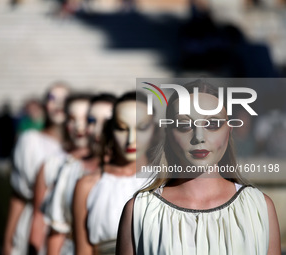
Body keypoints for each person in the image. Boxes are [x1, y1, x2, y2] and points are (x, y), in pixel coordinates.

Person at [116, 80, 281, 255]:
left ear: (229, 130)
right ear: (168, 133)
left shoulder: (259, 207)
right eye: (185, 125)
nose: (199, 137)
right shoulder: (140, 210)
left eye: (212, 124)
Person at [29, 93, 115, 255]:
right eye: (91, 121)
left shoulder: (144, 175)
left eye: (107, 122)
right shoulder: (66, 170)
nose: (97, 130)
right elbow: (54, 229)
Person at [73, 92, 155, 255]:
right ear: (111, 130)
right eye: (122, 128)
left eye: (142, 127)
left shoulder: (167, 180)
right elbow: (83, 250)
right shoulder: (88, 185)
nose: (131, 138)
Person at [3, 82, 69, 255]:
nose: (58, 104)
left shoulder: (79, 151)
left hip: (67, 233)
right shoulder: (30, 140)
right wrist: (7, 242)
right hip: (31, 225)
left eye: (64, 99)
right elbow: (18, 195)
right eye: (53, 98)